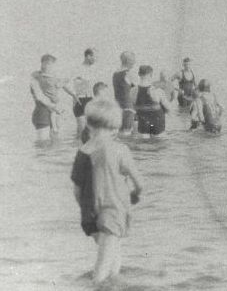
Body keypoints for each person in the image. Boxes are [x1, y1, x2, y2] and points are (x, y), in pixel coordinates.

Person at [70, 98, 144, 284]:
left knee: (112, 253)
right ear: (115, 127)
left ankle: (113, 283)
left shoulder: (82, 152)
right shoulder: (120, 149)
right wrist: (135, 195)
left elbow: (77, 190)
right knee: (103, 266)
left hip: (89, 214)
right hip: (113, 210)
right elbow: (139, 183)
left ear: (88, 124)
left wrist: (86, 208)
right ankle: (98, 286)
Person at [30, 53, 79, 140]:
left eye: (53, 65)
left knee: (55, 137)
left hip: (54, 107)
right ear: (43, 64)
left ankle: (55, 133)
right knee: (43, 142)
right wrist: (53, 106)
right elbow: (39, 96)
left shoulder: (53, 76)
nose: (52, 67)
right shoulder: (36, 76)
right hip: (43, 110)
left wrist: (74, 95)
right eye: (50, 65)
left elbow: (64, 86)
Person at [133, 65, 171, 137]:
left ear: (139, 74)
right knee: (159, 142)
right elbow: (168, 108)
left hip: (143, 122)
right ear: (151, 75)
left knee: (145, 142)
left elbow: (133, 108)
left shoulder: (133, 91)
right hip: (157, 122)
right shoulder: (157, 90)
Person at [71, 48, 100, 135]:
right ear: (88, 56)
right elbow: (67, 84)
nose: (96, 59)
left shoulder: (93, 70)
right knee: (81, 130)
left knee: (92, 131)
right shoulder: (78, 69)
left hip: (91, 99)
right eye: (95, 57)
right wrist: (74, 95)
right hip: (80, 100)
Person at [112, 51, 138, 135]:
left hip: (118, 108)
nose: (134, 62)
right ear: (128, 60)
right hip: (128, 108)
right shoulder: (129, 73)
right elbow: (139, 90)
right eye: (133, 60)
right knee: (128, 135)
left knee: (121, 134)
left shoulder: (115, 73)